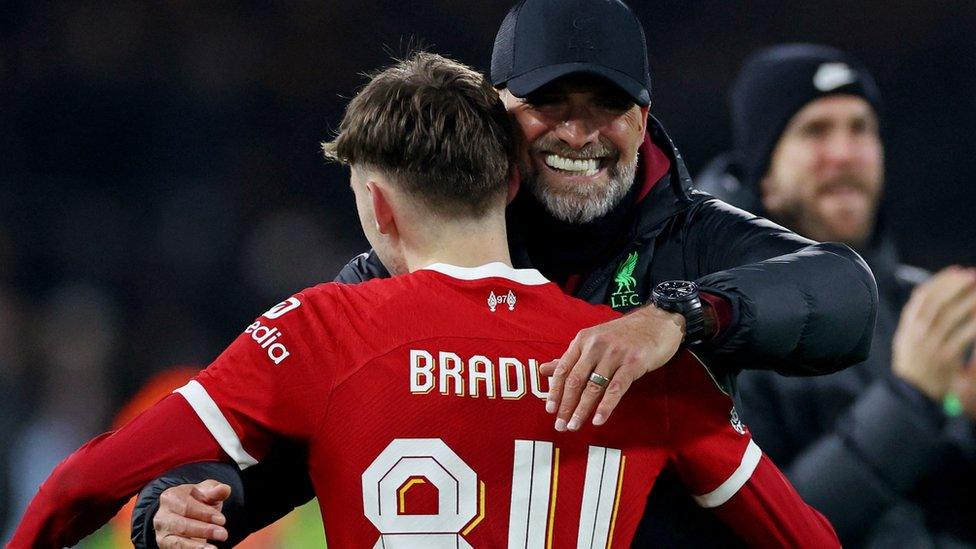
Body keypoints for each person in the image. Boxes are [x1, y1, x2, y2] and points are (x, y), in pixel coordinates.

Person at [9, 51, 841, 548]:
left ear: (376, 205)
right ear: (513, 181)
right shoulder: (635, 359)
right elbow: (806, 538)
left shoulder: (321, 330)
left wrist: (165, 508)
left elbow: (78, 484)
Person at [696, 43, 976, 546]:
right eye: (815, 130)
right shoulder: (715, 323)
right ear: (766, 176)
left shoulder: (922, 305)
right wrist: (910, 403)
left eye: (860, 128)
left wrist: (968, 417)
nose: (845, 153)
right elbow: (756, 528)